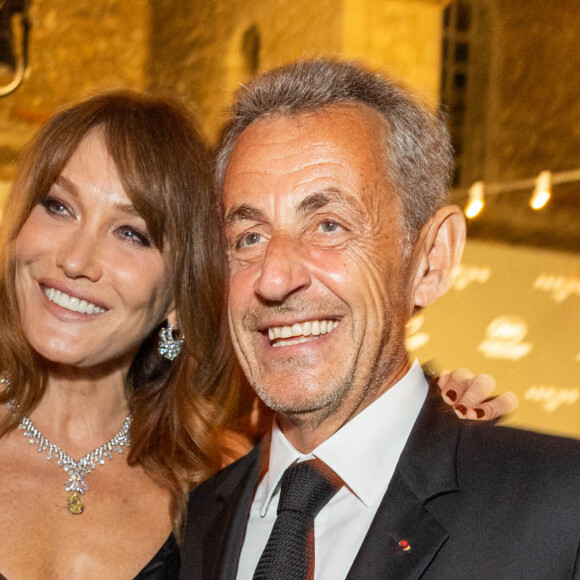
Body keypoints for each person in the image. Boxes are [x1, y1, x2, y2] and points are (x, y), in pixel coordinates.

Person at [0, 90, 511, 580]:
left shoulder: (219, 484)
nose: (75, 260)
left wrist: (429, 441)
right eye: (58, 206)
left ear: (179, 295)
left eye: (132, 233)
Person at [180, 59, 580, 579]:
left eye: (328, 224)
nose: (273, 279)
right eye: (249, 237)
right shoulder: (197, 523)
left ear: (431, 259)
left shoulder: (559, 512)